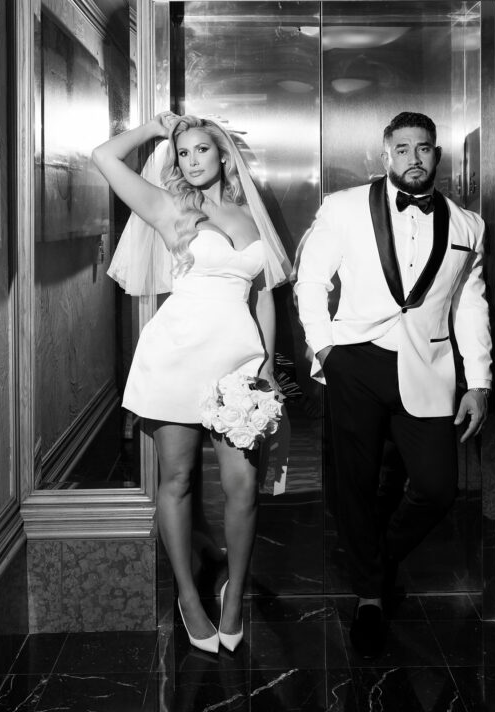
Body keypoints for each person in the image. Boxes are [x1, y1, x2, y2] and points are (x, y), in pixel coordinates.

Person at [294, 111, 492, 657]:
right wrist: (325, 348)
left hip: (429, 367)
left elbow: (470, 307)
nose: (413, 157)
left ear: (437, 155)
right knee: (353, 486)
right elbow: (310, 281)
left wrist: (479, 382)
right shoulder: (342, 207)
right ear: (385, 156)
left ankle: (374, 563)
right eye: (401, 148)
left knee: (437, 487)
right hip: (355, 361)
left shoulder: (468, 225)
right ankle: (370, 598)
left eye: (423, 148)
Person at [92, 111, 290, 653]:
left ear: (222, 154)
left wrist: (267, 365)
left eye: (201, 150)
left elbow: (265, 293)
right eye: (182, 153)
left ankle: (233, 598)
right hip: (177, 356)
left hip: (239, 366)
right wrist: (156, 130)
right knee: (176, 481)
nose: (191, 161)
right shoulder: (168, 206)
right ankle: (187, 596)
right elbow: (104, 158)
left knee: (242, 488)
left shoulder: (250, 214)